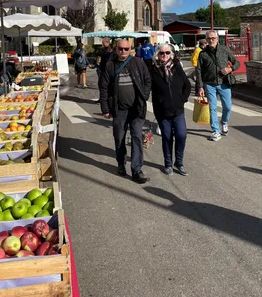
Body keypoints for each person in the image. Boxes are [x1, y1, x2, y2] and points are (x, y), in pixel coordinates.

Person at [100, 39, 151, 184]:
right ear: (116, 49)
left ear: (131, 49)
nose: (123, 52)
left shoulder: (138, 63)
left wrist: (144, 96)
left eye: (126, 49)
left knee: (136, 138)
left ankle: (137, 170)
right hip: (119, 110)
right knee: (119, 138)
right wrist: (105, 108)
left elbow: (147, 81)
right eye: (120, 49)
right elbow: (103, 87)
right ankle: (121, 164)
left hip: (136, 109)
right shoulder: (110, 65)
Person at [151, 44, 191, 176]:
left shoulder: (177, 68)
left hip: (178, 110)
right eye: (162, 53)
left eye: (167, 52)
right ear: (158, 54)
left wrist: (182, 99)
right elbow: (152, 91)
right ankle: (168, 163)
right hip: (163, 111)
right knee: (167, 137)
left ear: (171, 54)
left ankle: (179, 163)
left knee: (181, 135)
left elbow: (187, 85)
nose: (164, 55)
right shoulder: (154, 70)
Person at [197, 30, 240, 141]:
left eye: (213, 38)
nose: (211, 40)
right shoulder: (202, 53)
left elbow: (237, 62)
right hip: (209, 84)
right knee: (212, 108)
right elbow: (199, 70)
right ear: (206, 40)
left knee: (228, 107)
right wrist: (200, 86)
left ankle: (224, 122)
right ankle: (215, 131)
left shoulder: (224, 49)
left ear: (217, 38)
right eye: (209, 39)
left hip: (224, 83)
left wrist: (230, 69)